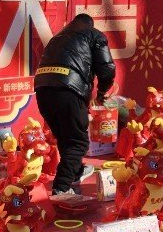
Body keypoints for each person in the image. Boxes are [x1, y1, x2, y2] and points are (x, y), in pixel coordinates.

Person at [34, 14, 116, 194]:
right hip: (69, 90)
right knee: (77, 142)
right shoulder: (95, 35)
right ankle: (61, 188)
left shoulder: (58, 37)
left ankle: (76, 172)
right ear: (90, 24)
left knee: (66, 137)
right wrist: (101, 92)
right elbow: (107, 69)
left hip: (42, 90)